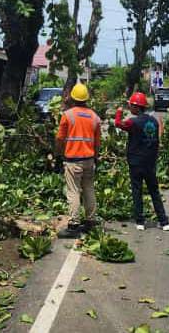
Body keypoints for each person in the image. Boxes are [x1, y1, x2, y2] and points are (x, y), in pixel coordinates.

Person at [115, 92, 169, 231]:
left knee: (137, 191)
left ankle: (140, 221)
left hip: (136, 162)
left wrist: (119, 112)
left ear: (137, 107)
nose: (129, 108)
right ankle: (164, 222)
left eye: (131, 106)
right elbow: (158, 136)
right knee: (154, 191)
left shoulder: (133, 122)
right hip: (150, 162)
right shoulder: (154, 121)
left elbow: (118, 124)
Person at [56, 83, 101, 238]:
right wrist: (96, 158)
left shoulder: (67, 115)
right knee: (89, 189)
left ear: (73, 98)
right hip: (89, 159)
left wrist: (60, 154)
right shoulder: (95, 117)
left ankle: (74, 225)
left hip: (73, 160)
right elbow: (97, 142)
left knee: (73, 191)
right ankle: (90, 221)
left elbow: (60, 138)